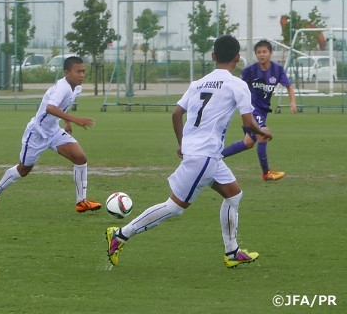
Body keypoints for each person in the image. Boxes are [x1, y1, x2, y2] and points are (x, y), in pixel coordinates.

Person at [106, 35, 272, 268]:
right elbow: (248, 122)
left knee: (234, 195)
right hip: (204, 156)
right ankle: (121, 234)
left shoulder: (198, 83)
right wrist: (262, 130)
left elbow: (176, 114)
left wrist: (182, 143)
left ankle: (232, 251)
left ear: (213, 56)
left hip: (206, 154)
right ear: (237, 57)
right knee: (174, 207)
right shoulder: (237, 84)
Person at [0, 56, 101, 214]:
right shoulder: (62, 87)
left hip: (54, 131)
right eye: (78, 71)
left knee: (80, 158)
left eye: (83, 71)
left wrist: (67, 123)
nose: (82, 75)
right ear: (67, 72)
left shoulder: (76, 88)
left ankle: (81, 201)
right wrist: (75, 119)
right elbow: (50, 108)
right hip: (37, 133)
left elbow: (62, 107)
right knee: (24, 169)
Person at [221, 39, 296, 181]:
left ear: (270, 53)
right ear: (256, 54)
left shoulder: (278, 70)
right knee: (263, 134)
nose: (261, 55)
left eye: (264, 52)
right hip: (251, 108)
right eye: (259, 52)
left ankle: (217, 156)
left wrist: (292, 101)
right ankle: (266, 173)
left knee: (248, 143)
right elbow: (238, 86)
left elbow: (289, 86)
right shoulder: (250, 70)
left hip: (263, 110)